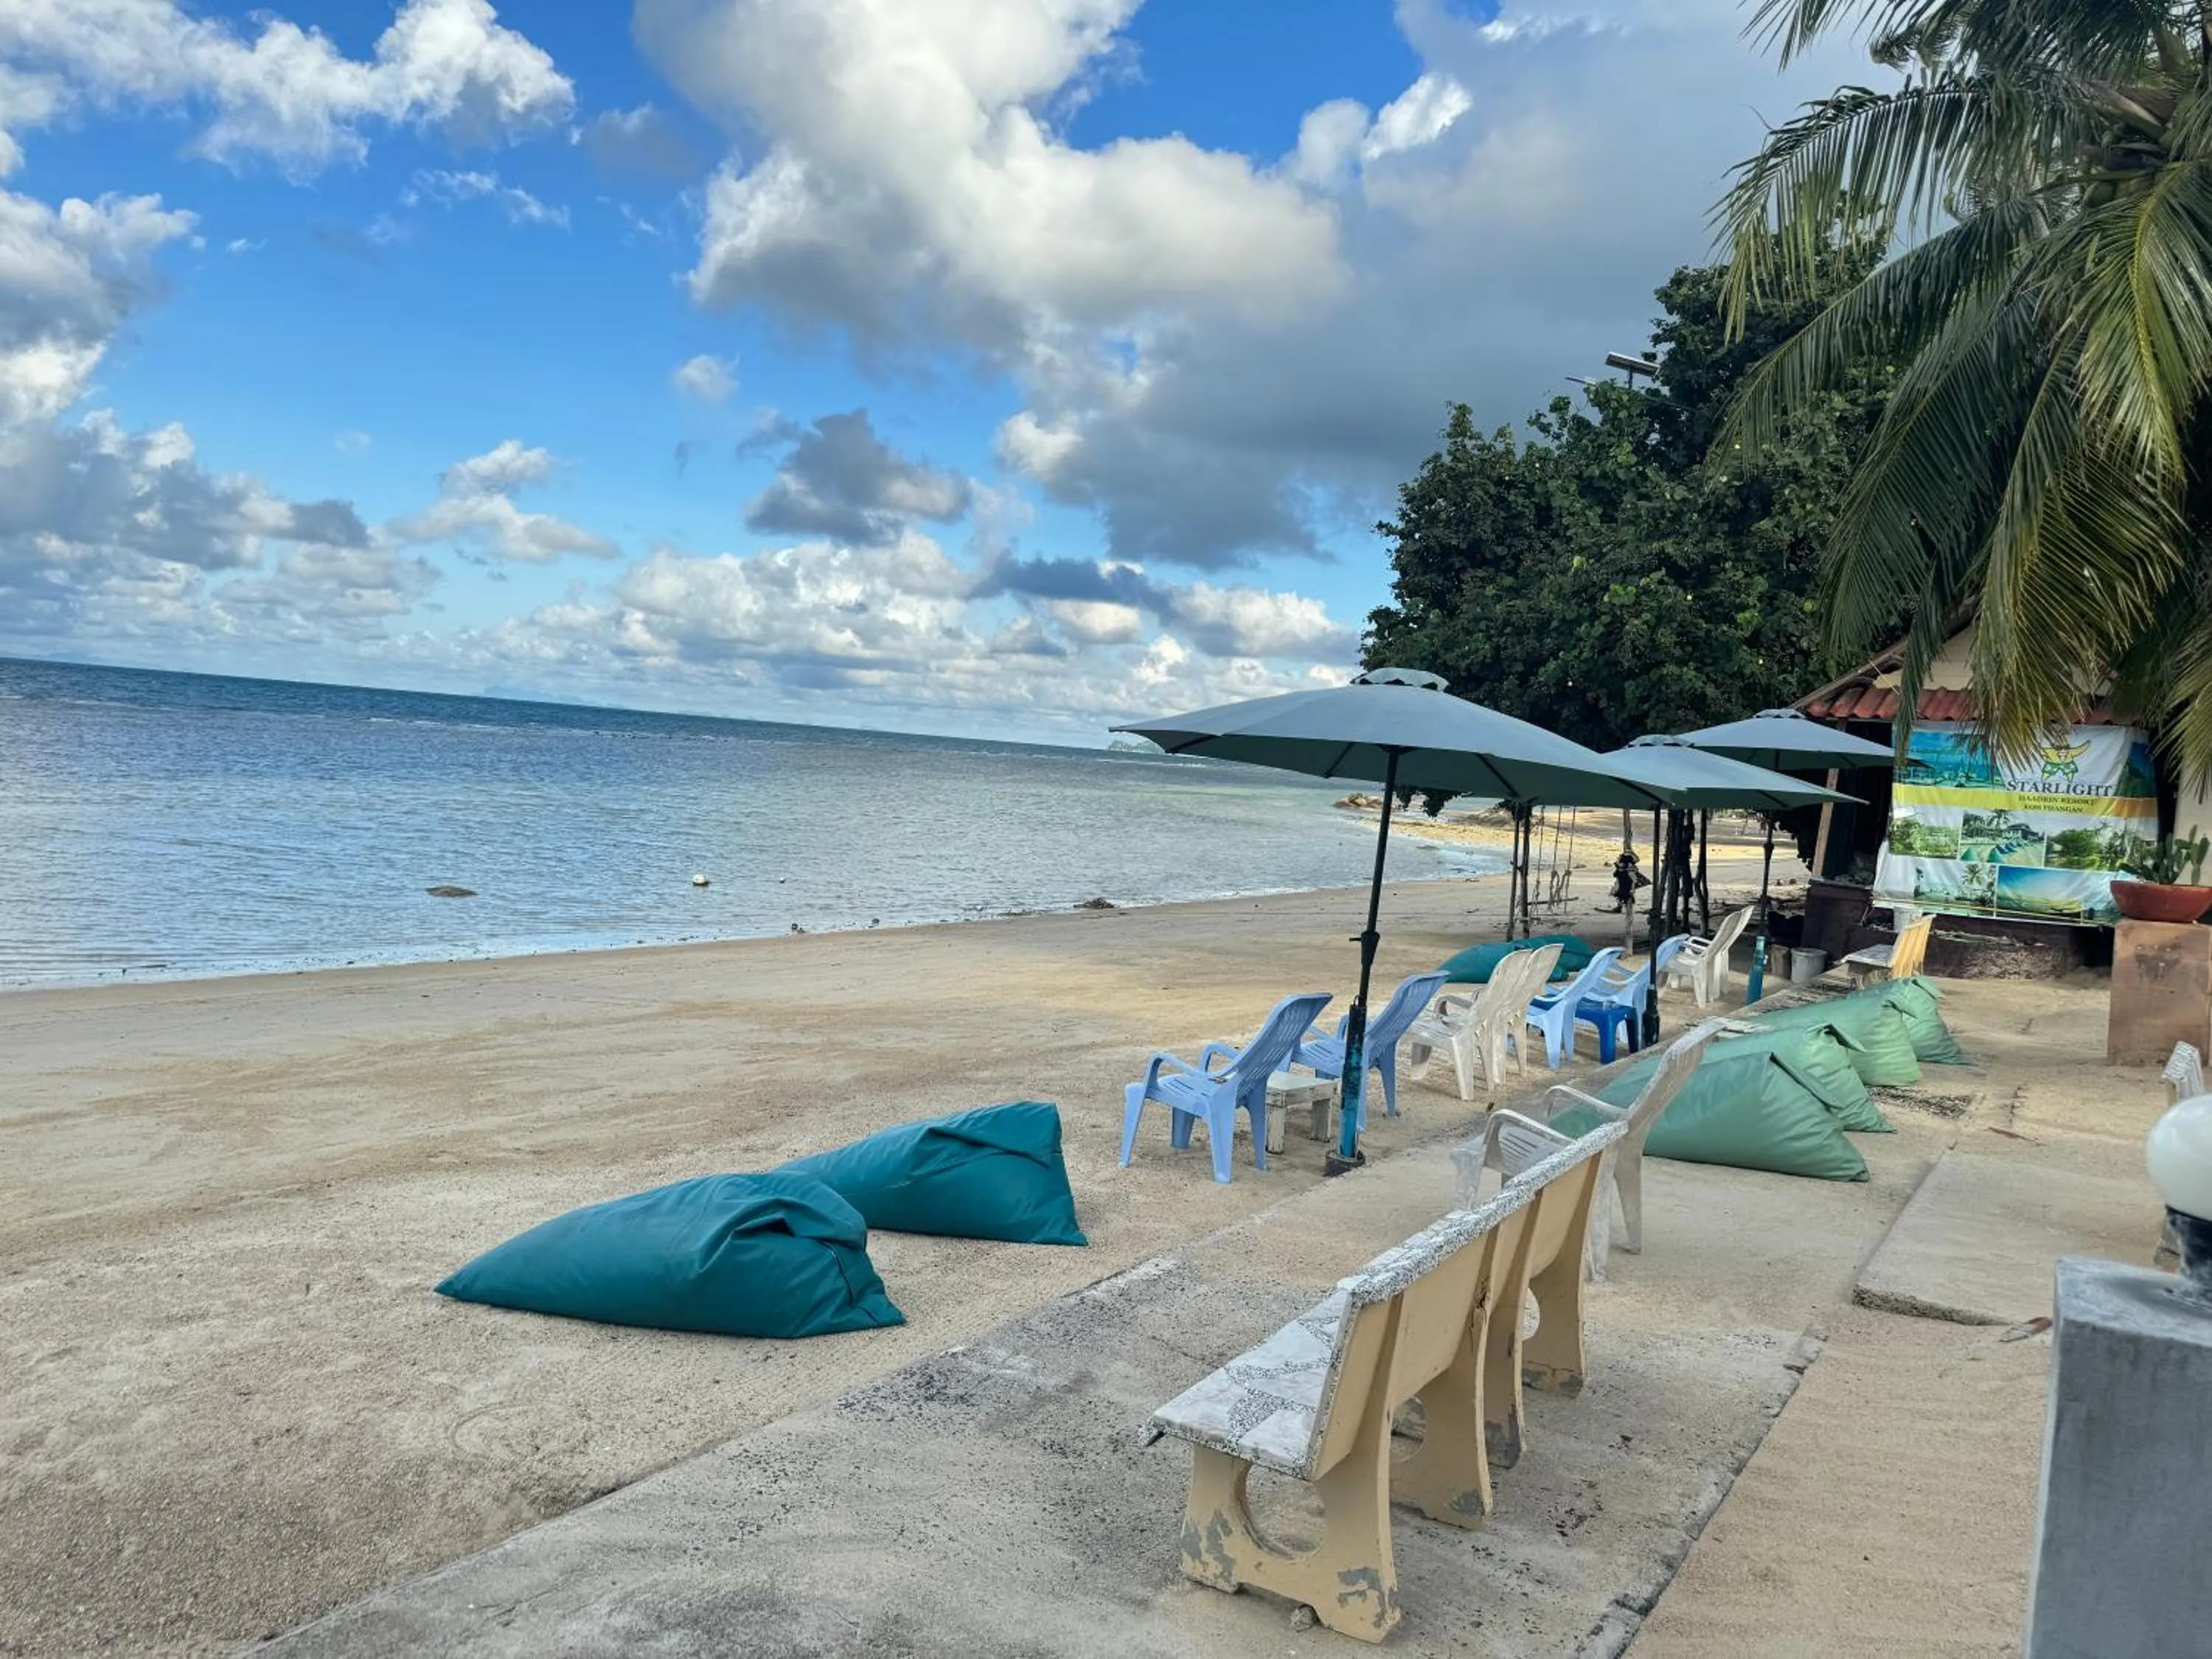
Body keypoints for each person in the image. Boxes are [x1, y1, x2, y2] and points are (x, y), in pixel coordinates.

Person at [1607, 842, 1648, 914]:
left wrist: (1631, 852)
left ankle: (1623, 907)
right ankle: (1621, 907)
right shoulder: (1623, 864)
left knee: (1625, 894)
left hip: (1626, 881)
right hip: (1622, 881)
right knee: (1618, 893)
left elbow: (1636, 861)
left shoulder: (1629, 866)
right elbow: (1619, 864)